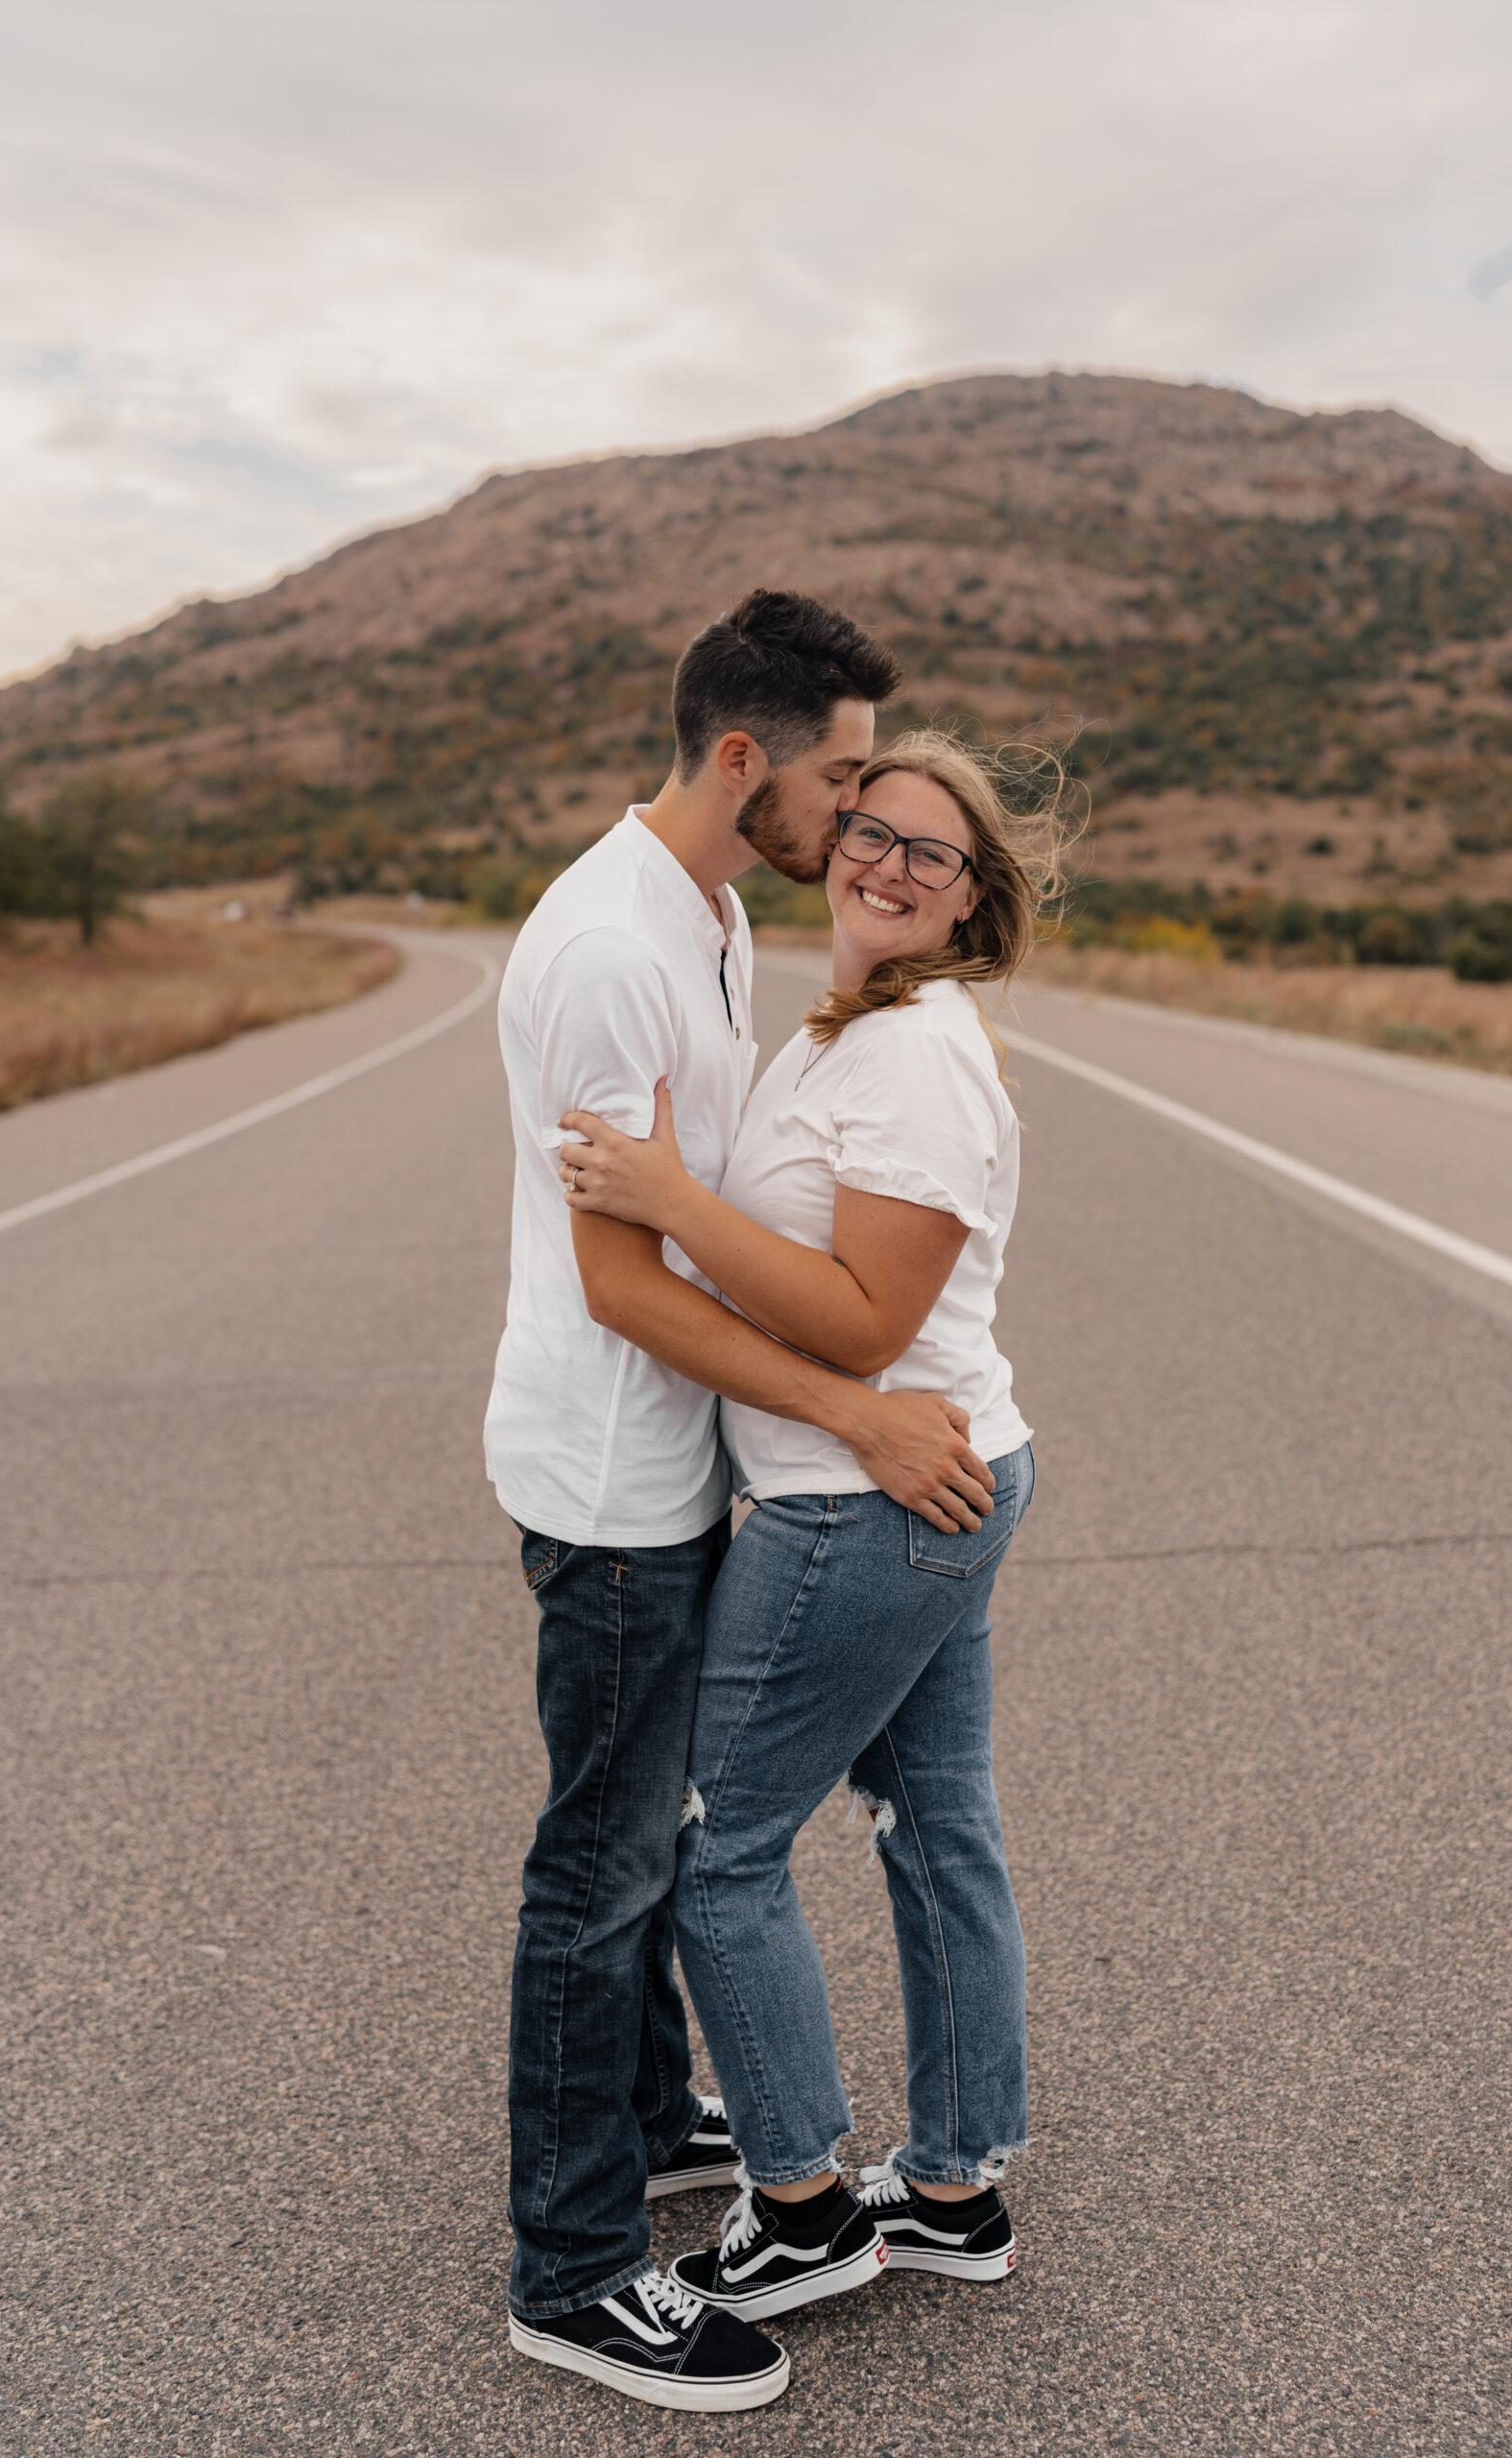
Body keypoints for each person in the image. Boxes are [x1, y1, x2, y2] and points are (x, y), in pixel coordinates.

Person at [488, 600, 1001, 2415]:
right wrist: (861, 1412)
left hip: (680, 1449)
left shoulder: (707, 912)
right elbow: (625, 1282)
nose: (853, 815)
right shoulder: (612, 949)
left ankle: (643, 2110)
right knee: (608, 1863)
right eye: (843, 775)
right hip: (616, 1467)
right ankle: (572, 2270)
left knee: (644, 1825)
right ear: (742, 759)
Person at [558, 728, 1065, 2328]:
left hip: (869, 1504)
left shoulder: (911, 1053)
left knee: (722, 1859)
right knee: (940, 1826)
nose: (891, 862)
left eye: (934, 853)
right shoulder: (852, 1029)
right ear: (834, 833)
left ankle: (800, 2206)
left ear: (975, 896)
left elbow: (859, 1327)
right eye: (873, 827)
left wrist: (668, 1199)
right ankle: (958, 2187)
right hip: (933, 1479)